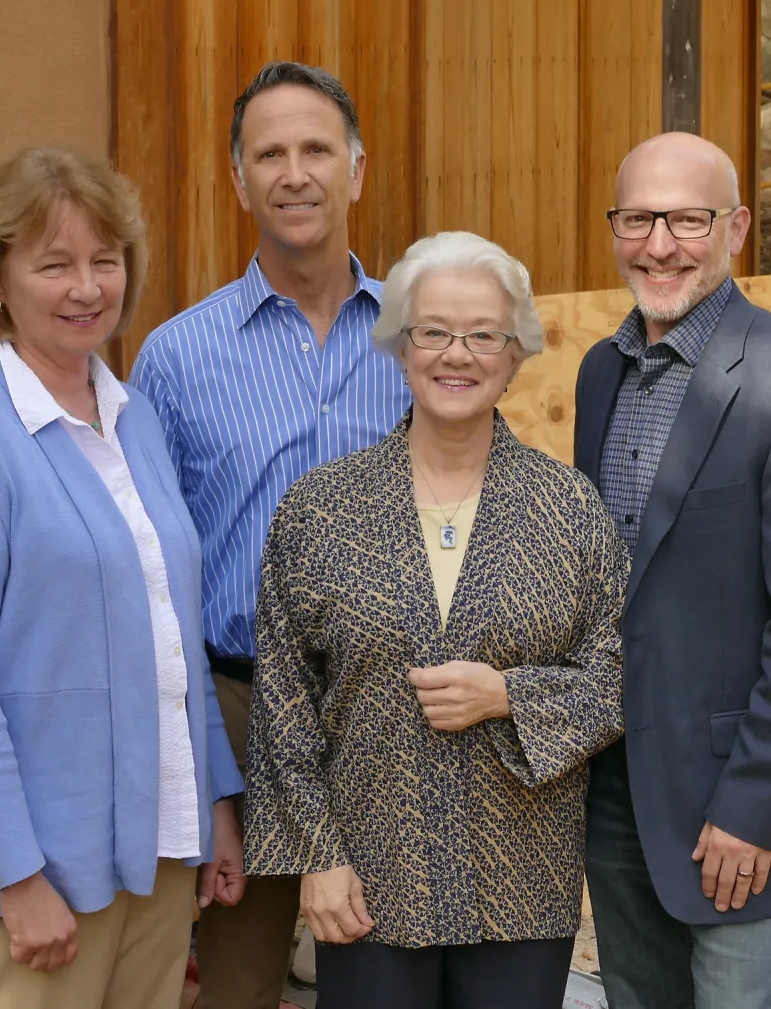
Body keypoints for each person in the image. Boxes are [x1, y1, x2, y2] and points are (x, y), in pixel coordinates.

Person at [0, 146, 245, 1009]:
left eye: (105, 260)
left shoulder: (135, 419)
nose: (87, 287)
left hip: (155, 853)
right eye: (54, 265)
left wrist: (216, 802)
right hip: (35, 876)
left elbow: (174, 634)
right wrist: (19, 877)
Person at [242, 231, 629, 1009]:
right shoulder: (322, 510)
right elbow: (283, 707)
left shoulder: (570, 510)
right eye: (434, 332)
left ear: (515, 352)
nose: (459, 355)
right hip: (369, 884)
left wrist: (509, 696)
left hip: (521, 883)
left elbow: (621, 676)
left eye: (484, 334)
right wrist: (317, 858)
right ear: (400, 344)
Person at [573, 131, 771, 1009]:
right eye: (638, 218)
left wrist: (753, 807)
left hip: (735, 802)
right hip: (619, 788)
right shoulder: (603, 373)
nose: (659, 244)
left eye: (687, 219)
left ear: (736, 227)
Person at [128, 61, 410, 1008]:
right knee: (239, 982)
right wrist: (202, 766)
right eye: (271, 154)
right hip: (237, 707)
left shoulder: (421, 343)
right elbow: (152, 578)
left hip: (385, 708)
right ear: (240, 180)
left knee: (389, 968)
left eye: (317, 150)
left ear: (357, 170)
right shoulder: (176, 357)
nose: (296, 173)